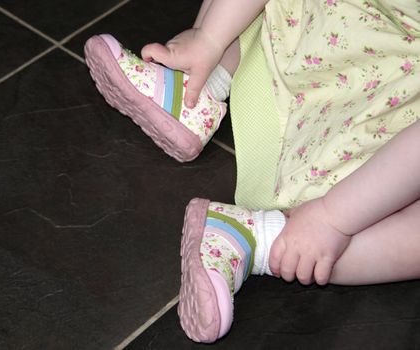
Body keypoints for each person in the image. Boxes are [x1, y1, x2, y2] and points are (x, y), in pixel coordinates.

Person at [84, 0, 420, 343]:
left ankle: (260, 238)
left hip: (384, 136)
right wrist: (208, 39)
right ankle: (196, 91)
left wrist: (332, 217)